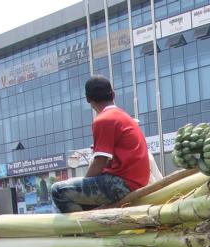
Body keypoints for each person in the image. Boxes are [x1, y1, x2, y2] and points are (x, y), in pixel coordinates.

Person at [50, 76, 150, 213]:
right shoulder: (124, 117)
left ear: (88, 99)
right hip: (135, 180)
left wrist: (84, 186)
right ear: (113, 94)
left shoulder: (103, 119)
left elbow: (100, 162)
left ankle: (83, 232)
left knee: (58, 191)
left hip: (123, 184)